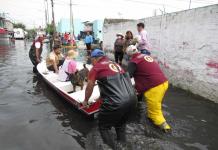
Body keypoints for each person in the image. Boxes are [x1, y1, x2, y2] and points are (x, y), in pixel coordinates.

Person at [82, 49, 137, 149]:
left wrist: (85, 101)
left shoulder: (96, 68)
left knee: (103, 127)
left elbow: (89, 86)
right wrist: (100, 98)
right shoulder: (115, 64)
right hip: (132, 99)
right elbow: (113, 84)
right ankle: (123, 145)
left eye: (91, 60)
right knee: (120, 125)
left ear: (95, 58)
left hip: (116, 102)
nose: (92, 62)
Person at [126, 45, 171, 132]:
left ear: (129, 55)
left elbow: (127, 76)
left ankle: (165, 129)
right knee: (155, 105)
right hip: (163, 83)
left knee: (155, 112)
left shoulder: (134, 61)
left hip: (154, 87)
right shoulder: (145, 56)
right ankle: (150, 118)